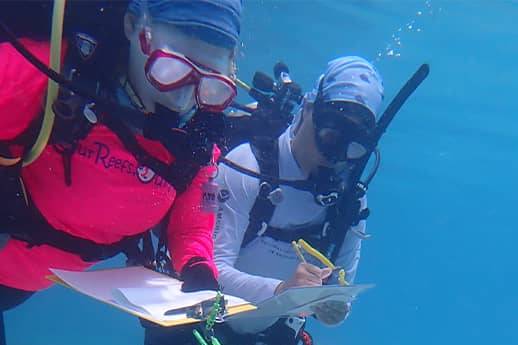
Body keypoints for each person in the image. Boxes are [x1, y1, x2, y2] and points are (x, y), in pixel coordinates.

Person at [0, 0, 242, 344]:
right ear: (132, 26)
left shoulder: (196, 147)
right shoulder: (46, 75)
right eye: (171, 69)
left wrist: (198, 268)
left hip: (31, 280)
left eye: (210, 84)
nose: (183, 100)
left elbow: (193, 225)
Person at [213, 56, 385, 345]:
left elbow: (340, 291)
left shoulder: (350, 200)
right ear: (307, 111)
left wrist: (332, 307)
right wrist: (282, 290)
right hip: (201, 328)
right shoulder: (247, 166)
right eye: (330, 136)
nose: (336, 157)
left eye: (353, 147)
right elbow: (211, 271)